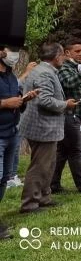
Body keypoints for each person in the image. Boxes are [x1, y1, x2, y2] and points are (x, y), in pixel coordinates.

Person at [19, 43, 78, 213]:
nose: (64, 58)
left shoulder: (43, 70)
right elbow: (44, 100)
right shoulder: (45, 73)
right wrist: (65, 104)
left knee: (48, 164)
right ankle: (30, 203)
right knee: (40, 166)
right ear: (57, 56)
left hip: (44, 126)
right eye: (63, 55)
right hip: (42, 127)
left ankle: (44, 197)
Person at [0, 45, 38, 237]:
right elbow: (7, 102)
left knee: (4, 178)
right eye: (10, 50)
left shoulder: (10, 75)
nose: (14, 55)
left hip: (11, 132)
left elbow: (15, 100)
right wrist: (4, 103)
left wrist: (23, 100)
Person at [51, 40, 81, 196]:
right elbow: (69, 84)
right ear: (67, 53)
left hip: (74, 114)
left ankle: (53, 183)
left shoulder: (72, 67)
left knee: (63, 152)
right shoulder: (64, 67)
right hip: (69, 114)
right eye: (77, 51)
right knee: (76, 152)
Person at [5, 59, 37, 189]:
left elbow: (16, 89)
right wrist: (26, 73)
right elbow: (16, 87)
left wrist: (25, 98)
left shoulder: (9, 75)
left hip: (14, 121)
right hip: (5, 124)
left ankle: (11, 176)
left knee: (14, 148)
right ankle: (9, 177)